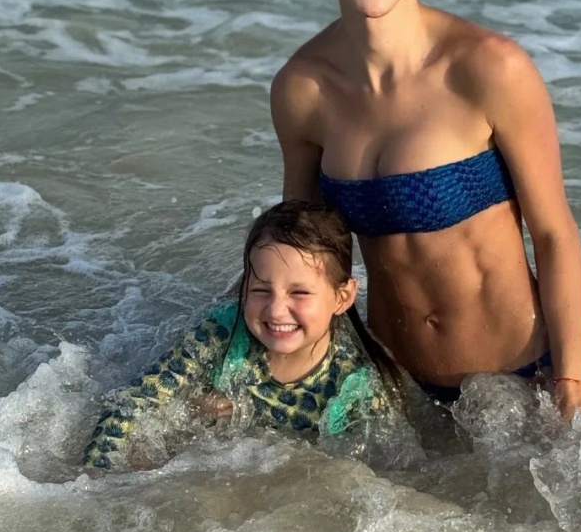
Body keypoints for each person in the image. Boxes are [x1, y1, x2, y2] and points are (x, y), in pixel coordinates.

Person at [271, 0, 581, 420]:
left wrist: (572, 381)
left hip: (526, 381)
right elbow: (302, 254)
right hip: (393, 391)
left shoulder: (488, 67)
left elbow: (554, 234)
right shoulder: (302, 89)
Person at [82, 201, 406, 470]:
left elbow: (360, 476)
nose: (276, 310)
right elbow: (133, 403)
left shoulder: (352, 387)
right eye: (261, 290)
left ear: (342, 297)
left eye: (299, 293)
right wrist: (98, 481)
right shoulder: (222, 333)